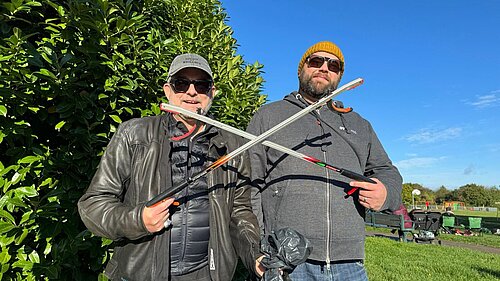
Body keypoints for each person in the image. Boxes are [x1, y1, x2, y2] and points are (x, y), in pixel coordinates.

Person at [78, 53, 264, 281]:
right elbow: (93, 205)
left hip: (207, 274)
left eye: (201, 84)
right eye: (181, 83)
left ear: (212, 92)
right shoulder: (134, 134)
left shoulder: (233, 146)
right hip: (142, 274)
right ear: (168, 90)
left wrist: (255, 254)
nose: (192, 91)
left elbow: (240, 212)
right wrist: (139, 220)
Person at [247, 41, 402, 280]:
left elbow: (387, 171)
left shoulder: (359, 124)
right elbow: (248, 185)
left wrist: (385, 192)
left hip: (350, 264)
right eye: (316, 61)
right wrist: (257, 248)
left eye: (333, 65)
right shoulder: (268, 116)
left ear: (339, 76)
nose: (324, 68)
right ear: (301, 69)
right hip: (287, 261)